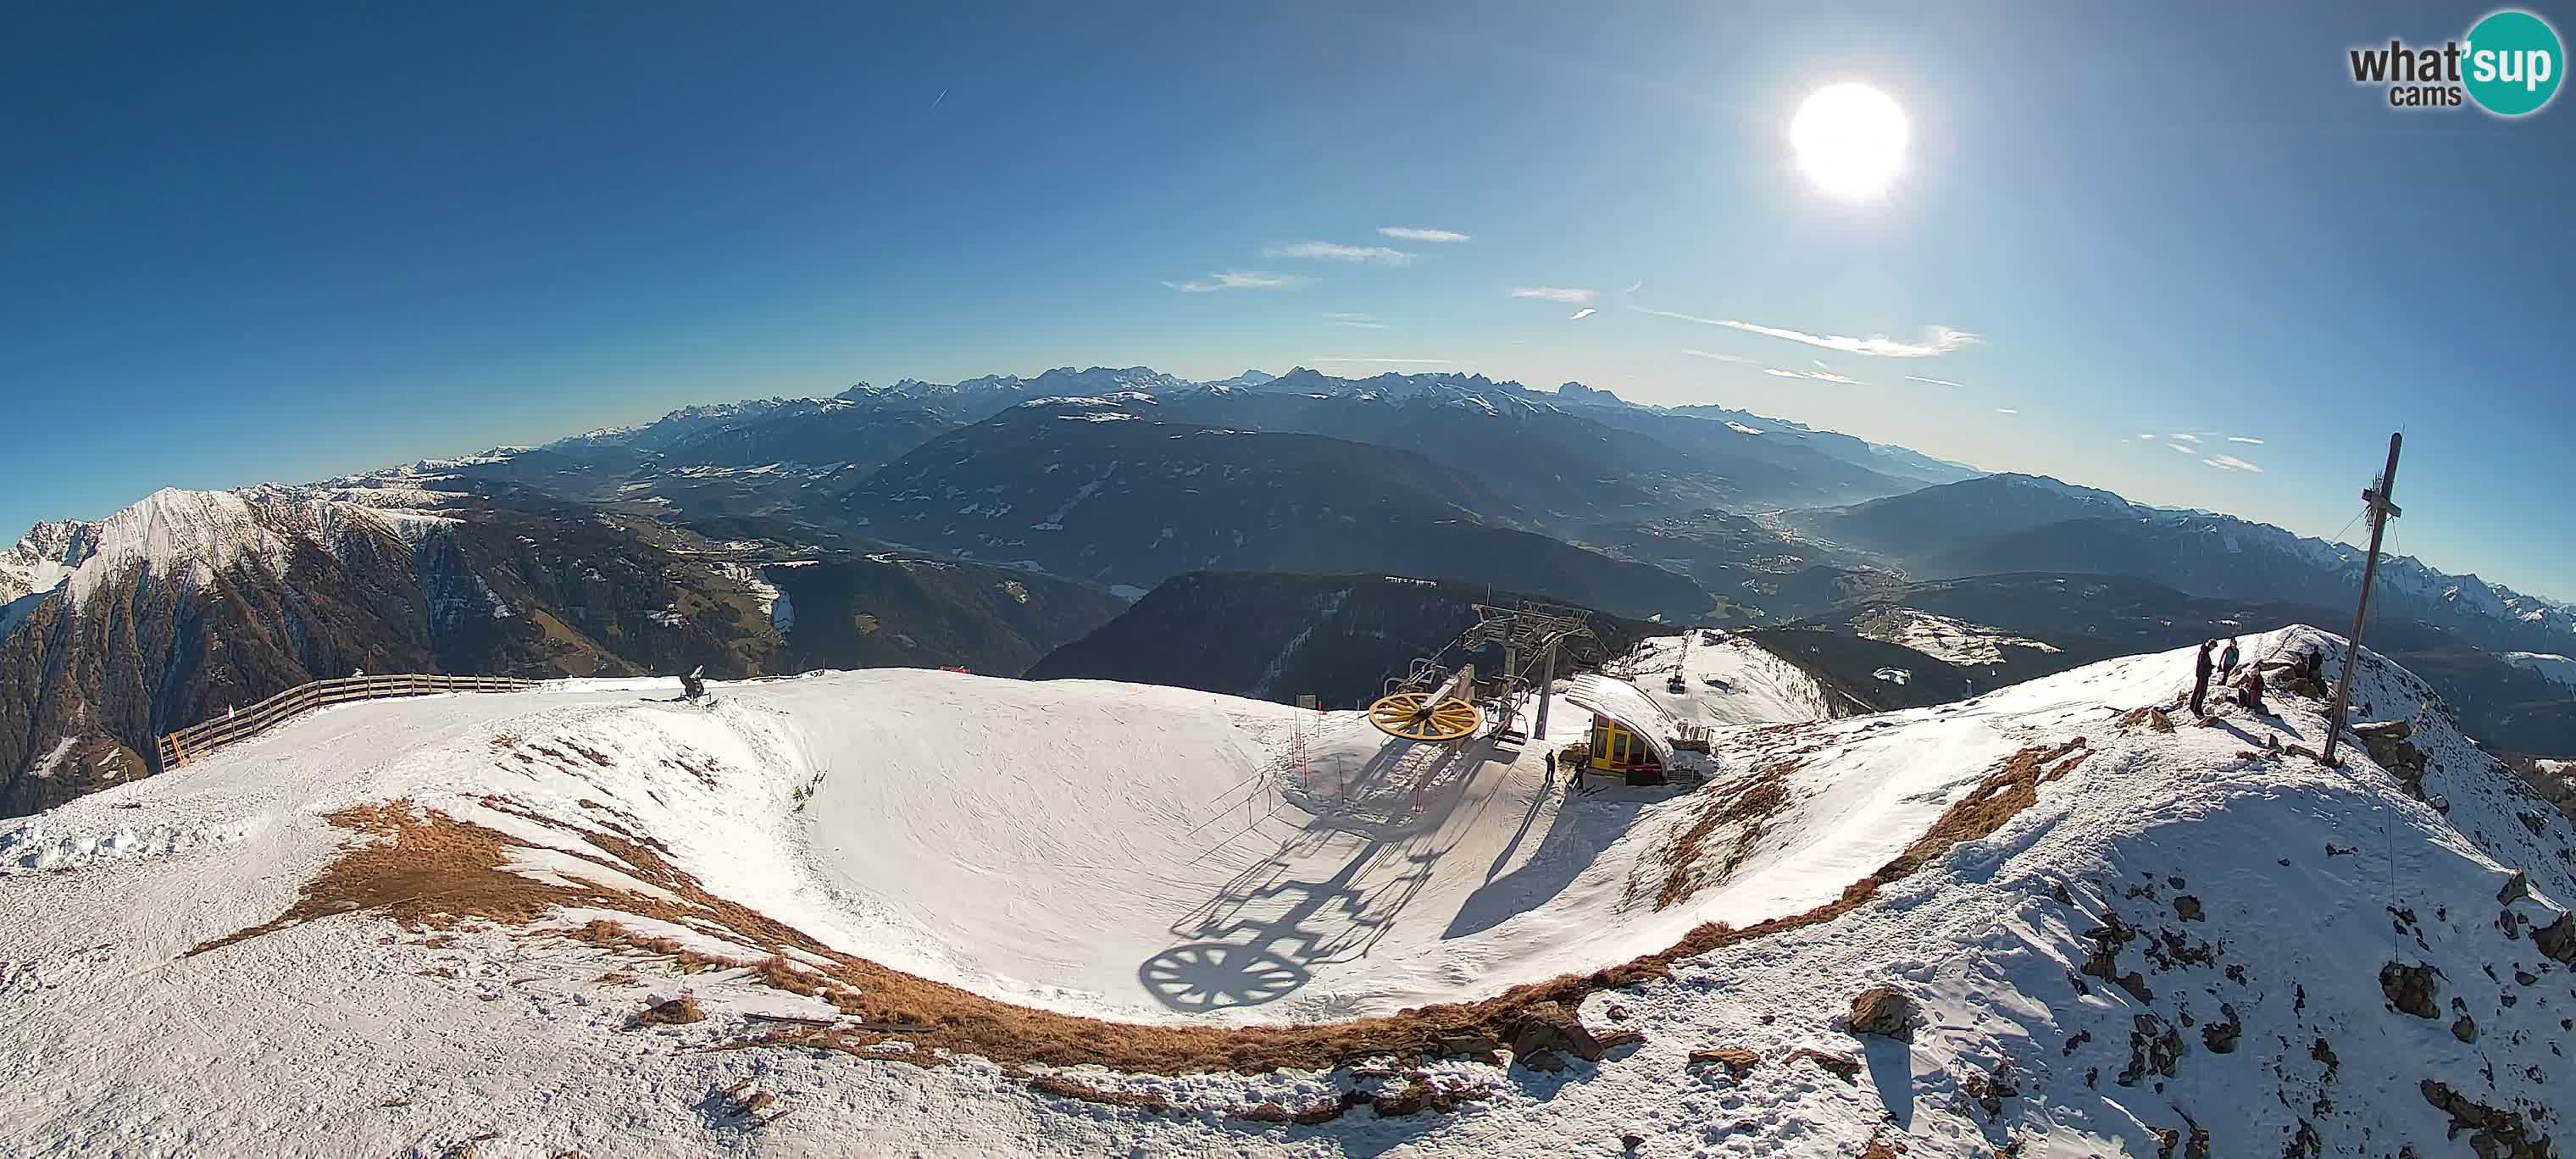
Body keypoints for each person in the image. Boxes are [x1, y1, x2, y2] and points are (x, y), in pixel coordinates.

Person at [2189, 640, 2216, 717]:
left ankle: (2193, 706)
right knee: (2202, 692)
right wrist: (2210, 667)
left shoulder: (2204, 652)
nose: (2212, 648)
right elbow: (2203, 665)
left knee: (2197, 691)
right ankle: (2197, 709)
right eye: (2212, 646)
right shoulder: (2204, 653)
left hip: (2201, 675)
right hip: (2203, 675)